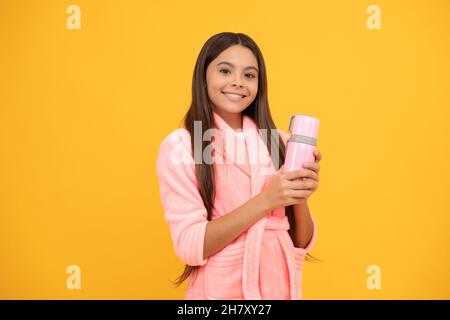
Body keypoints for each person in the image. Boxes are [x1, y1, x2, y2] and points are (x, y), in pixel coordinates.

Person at [156, 32, 322, 300]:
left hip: (278, 288)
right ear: (204, 76)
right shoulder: (182, 145)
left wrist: (299, 194)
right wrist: (268, 199)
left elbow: (300, 242)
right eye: (225, 71)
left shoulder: (278, 140)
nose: (237, 83)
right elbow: (190, 245)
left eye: (249, 75)